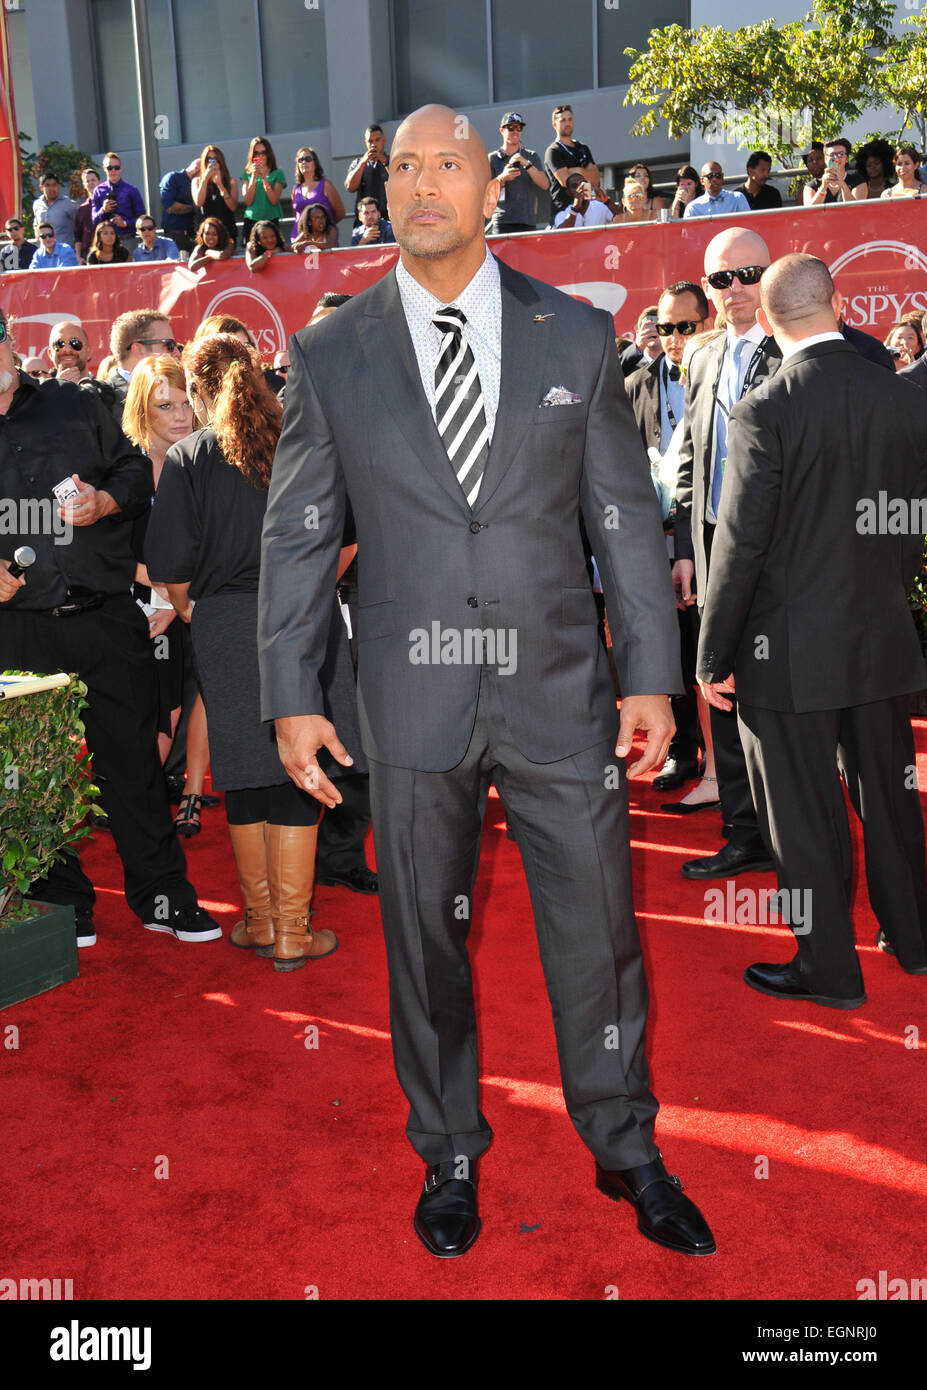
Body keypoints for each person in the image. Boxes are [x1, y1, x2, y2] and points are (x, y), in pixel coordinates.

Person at [258, 102, 715, 1260]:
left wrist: (650, 675)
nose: (421, 184)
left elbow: (619, 514)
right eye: (402, 166)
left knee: (600, 928)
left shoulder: (573, 332)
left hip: (562, 689)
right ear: (384, 189)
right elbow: (301, 532)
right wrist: (290, 690)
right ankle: (450, 1148)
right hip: (409, 700)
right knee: (423, 937)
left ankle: (626, 1147)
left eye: (446, 164)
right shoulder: (329, 350)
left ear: (488, 185)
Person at [697, 253, 927, 1007]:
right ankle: (915, 938)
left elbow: (738, 545)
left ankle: (828, 968)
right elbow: (908, 527)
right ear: (837, 302)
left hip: (786, 655)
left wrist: (713, 654)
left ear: (763, 319)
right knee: (890, 800)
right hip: (880, 639)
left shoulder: (766, 406)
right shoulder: (898, 395)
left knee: (798, 815)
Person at [0, 308, 221, 948]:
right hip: (18, 632)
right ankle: (63, 903)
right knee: (35, 775)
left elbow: (131, 469)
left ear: (11, 344)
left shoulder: (78, 404)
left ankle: (163, 896)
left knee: (133, 766)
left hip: (104, 618)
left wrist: (106, 500)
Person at [146, 333, 358, 969]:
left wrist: (197, 613)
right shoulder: (303, 438)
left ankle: (263, 924)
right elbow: (347, 539)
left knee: (241, 765)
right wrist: (311, 595)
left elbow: (168, 564)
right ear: (261, 377)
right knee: (299, 757)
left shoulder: (187, 456)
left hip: (225, 621)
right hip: (303, 616)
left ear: (199, 391)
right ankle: (292, 931)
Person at [672, 226, 780, 879]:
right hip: (709, 549)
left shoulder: (792, 352)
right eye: (721, 279)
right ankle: (743, 833)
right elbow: (689, 453)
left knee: (774, 698)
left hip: (774, 557)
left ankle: (788, 832)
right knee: (718, 686)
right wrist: (684, 546)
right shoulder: (702, 358)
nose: (735, 289)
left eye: (748, 274)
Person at [627, 284, 713, 807]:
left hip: (707, 542)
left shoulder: (722, 380)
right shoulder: (634, 383)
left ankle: (724, 764)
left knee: (709, 652)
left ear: (706, 323)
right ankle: (684, 749)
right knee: (672, 651)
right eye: (666, 327)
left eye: (685, 326)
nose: (674, 338)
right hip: (650, 542)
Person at [122, 356, 193, 763]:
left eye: (186, 403)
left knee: (171, 707)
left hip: (179, 605)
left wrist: (172, 601)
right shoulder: (122, 466)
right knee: (131, 709)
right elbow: (96, 544)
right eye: (165, 406)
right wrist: (152, 582)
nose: (181, 416)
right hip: (120, 603)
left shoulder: (202, 462)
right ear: (141, 410)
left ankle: (148, 796)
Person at [104, 310, 180, 417]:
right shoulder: (103, 402)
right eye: (169, 345)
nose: (177, 352)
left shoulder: (182, 392)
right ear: (139, 350)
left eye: (177, 346)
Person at [487, 112, 547, 235]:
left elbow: (545, 184)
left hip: (527, 221)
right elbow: (485, 193)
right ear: (502, 130)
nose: (516, 131)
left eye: (519, 128)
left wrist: (527, 164)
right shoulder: (492, 159)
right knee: (502, 255)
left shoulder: (531, 156)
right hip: (502, 222)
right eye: (511, 127)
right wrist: (502, 178)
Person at [544, 104, 600, 221]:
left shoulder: (583, 148)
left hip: (587, 210)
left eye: (570, 119)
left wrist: (577, 171)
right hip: (564, 212)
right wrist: (585, 173)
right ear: (554, 125)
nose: (567, 123)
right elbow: (566, 182)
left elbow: (595, 179)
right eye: (563, 120)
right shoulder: (553, 150)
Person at [290, 147, 344, 246]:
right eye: (300, 160)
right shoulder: (295, 189)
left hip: (323, 240)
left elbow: (340, 212)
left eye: (308, 159)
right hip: (299, 239)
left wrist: (322, 225)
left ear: (315, 163)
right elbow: (297, 215)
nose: (304, 162)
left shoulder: (326, 185)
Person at [91, 152, 146, 247]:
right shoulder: (98, 191)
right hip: (105, 243)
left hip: (127, 238)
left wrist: (124, 223)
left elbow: (142, 219)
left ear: (121, 168)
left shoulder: (131, 190)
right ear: (104, 168)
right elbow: (94, 220)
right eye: (109, 168)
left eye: (116, 167)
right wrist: (103, 210)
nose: (113, 171)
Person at [192, 146, 239, 249]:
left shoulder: (231, 182)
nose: (212, 163)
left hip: (226, 231)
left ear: (221, 162)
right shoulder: (197, 181)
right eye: (209, 159)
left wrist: (220, 185)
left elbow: (233, 207)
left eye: (215, 159)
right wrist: (204, 179)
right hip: (206, 234)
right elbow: (198, 202)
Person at [345, 124, 390, 225]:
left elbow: (400, 181)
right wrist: (363, 162)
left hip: (389, 220)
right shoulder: (358, 163)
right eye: (370, 141)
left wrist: (385, 161)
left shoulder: (393, 161)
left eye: (377, 140)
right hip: (364, 223)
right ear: (365, 143)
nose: (373, 144)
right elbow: (350, 187)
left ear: (383, 140)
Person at [241, 137, 285, 233]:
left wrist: (264, 178)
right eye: (256, 153)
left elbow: (274, 200)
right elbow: (248, 201)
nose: (260, 156)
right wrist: (253, 176)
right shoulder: (246, 174)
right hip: (251, 220)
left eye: (263, 152)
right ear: (252, 155)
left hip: (271, 219)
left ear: (268, 154)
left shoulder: (277, 173)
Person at [158, 158, 200, 253]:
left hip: (193, 234)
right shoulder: (173, 178)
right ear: (196, 168)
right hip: (175, 235)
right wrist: (193, 208)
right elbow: (169, 206)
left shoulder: (198, 183)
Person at [552, 171, 617, 228]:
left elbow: (623, 219)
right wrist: (575, 209)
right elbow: (561, 234)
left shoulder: (601, 206)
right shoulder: (563, 214)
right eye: (575, 186)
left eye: (583, 184)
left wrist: (606, 200)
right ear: (568, 192)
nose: (581, 188)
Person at [683, 163, 751, 218]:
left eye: (718, 175)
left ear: (722, 177)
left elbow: (749, 224)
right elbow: (688, 234)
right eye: (710, 176)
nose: (714, 179)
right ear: (702, 181)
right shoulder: (693, 207)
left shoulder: (737, 198)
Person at [32, 172, 78, 247]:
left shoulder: (68, 204)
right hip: (45, 251)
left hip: (64, 252)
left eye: (54, 185)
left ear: (59, 186)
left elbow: (79, 226)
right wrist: (37, 234)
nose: (51, 188)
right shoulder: (37, 204)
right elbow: (36, 223)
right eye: (48, 185)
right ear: (41, 187)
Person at [73, 168, 100, 261]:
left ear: (99, 182)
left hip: (105, 251)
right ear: (84, 185)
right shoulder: (82, 209)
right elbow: (78, 235)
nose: (91, 183)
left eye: (93, 180)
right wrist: (78, 256)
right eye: (87, 181)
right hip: (87, 253)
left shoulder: (107, 204)